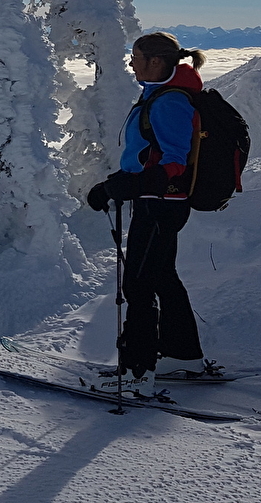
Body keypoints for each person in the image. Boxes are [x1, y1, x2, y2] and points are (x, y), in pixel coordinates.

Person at [86, 32, 207, 397]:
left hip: (161, 203)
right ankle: (181, 355)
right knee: (161, 276)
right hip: (157, 201)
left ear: (156, 61)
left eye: (136, 56)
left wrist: (133, 186)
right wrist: (113, 185)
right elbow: (147, 155)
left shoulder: (169, 101)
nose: (131, 62)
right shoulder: (159, 92)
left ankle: (137, 370)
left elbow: (174, 160)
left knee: (137, 284)